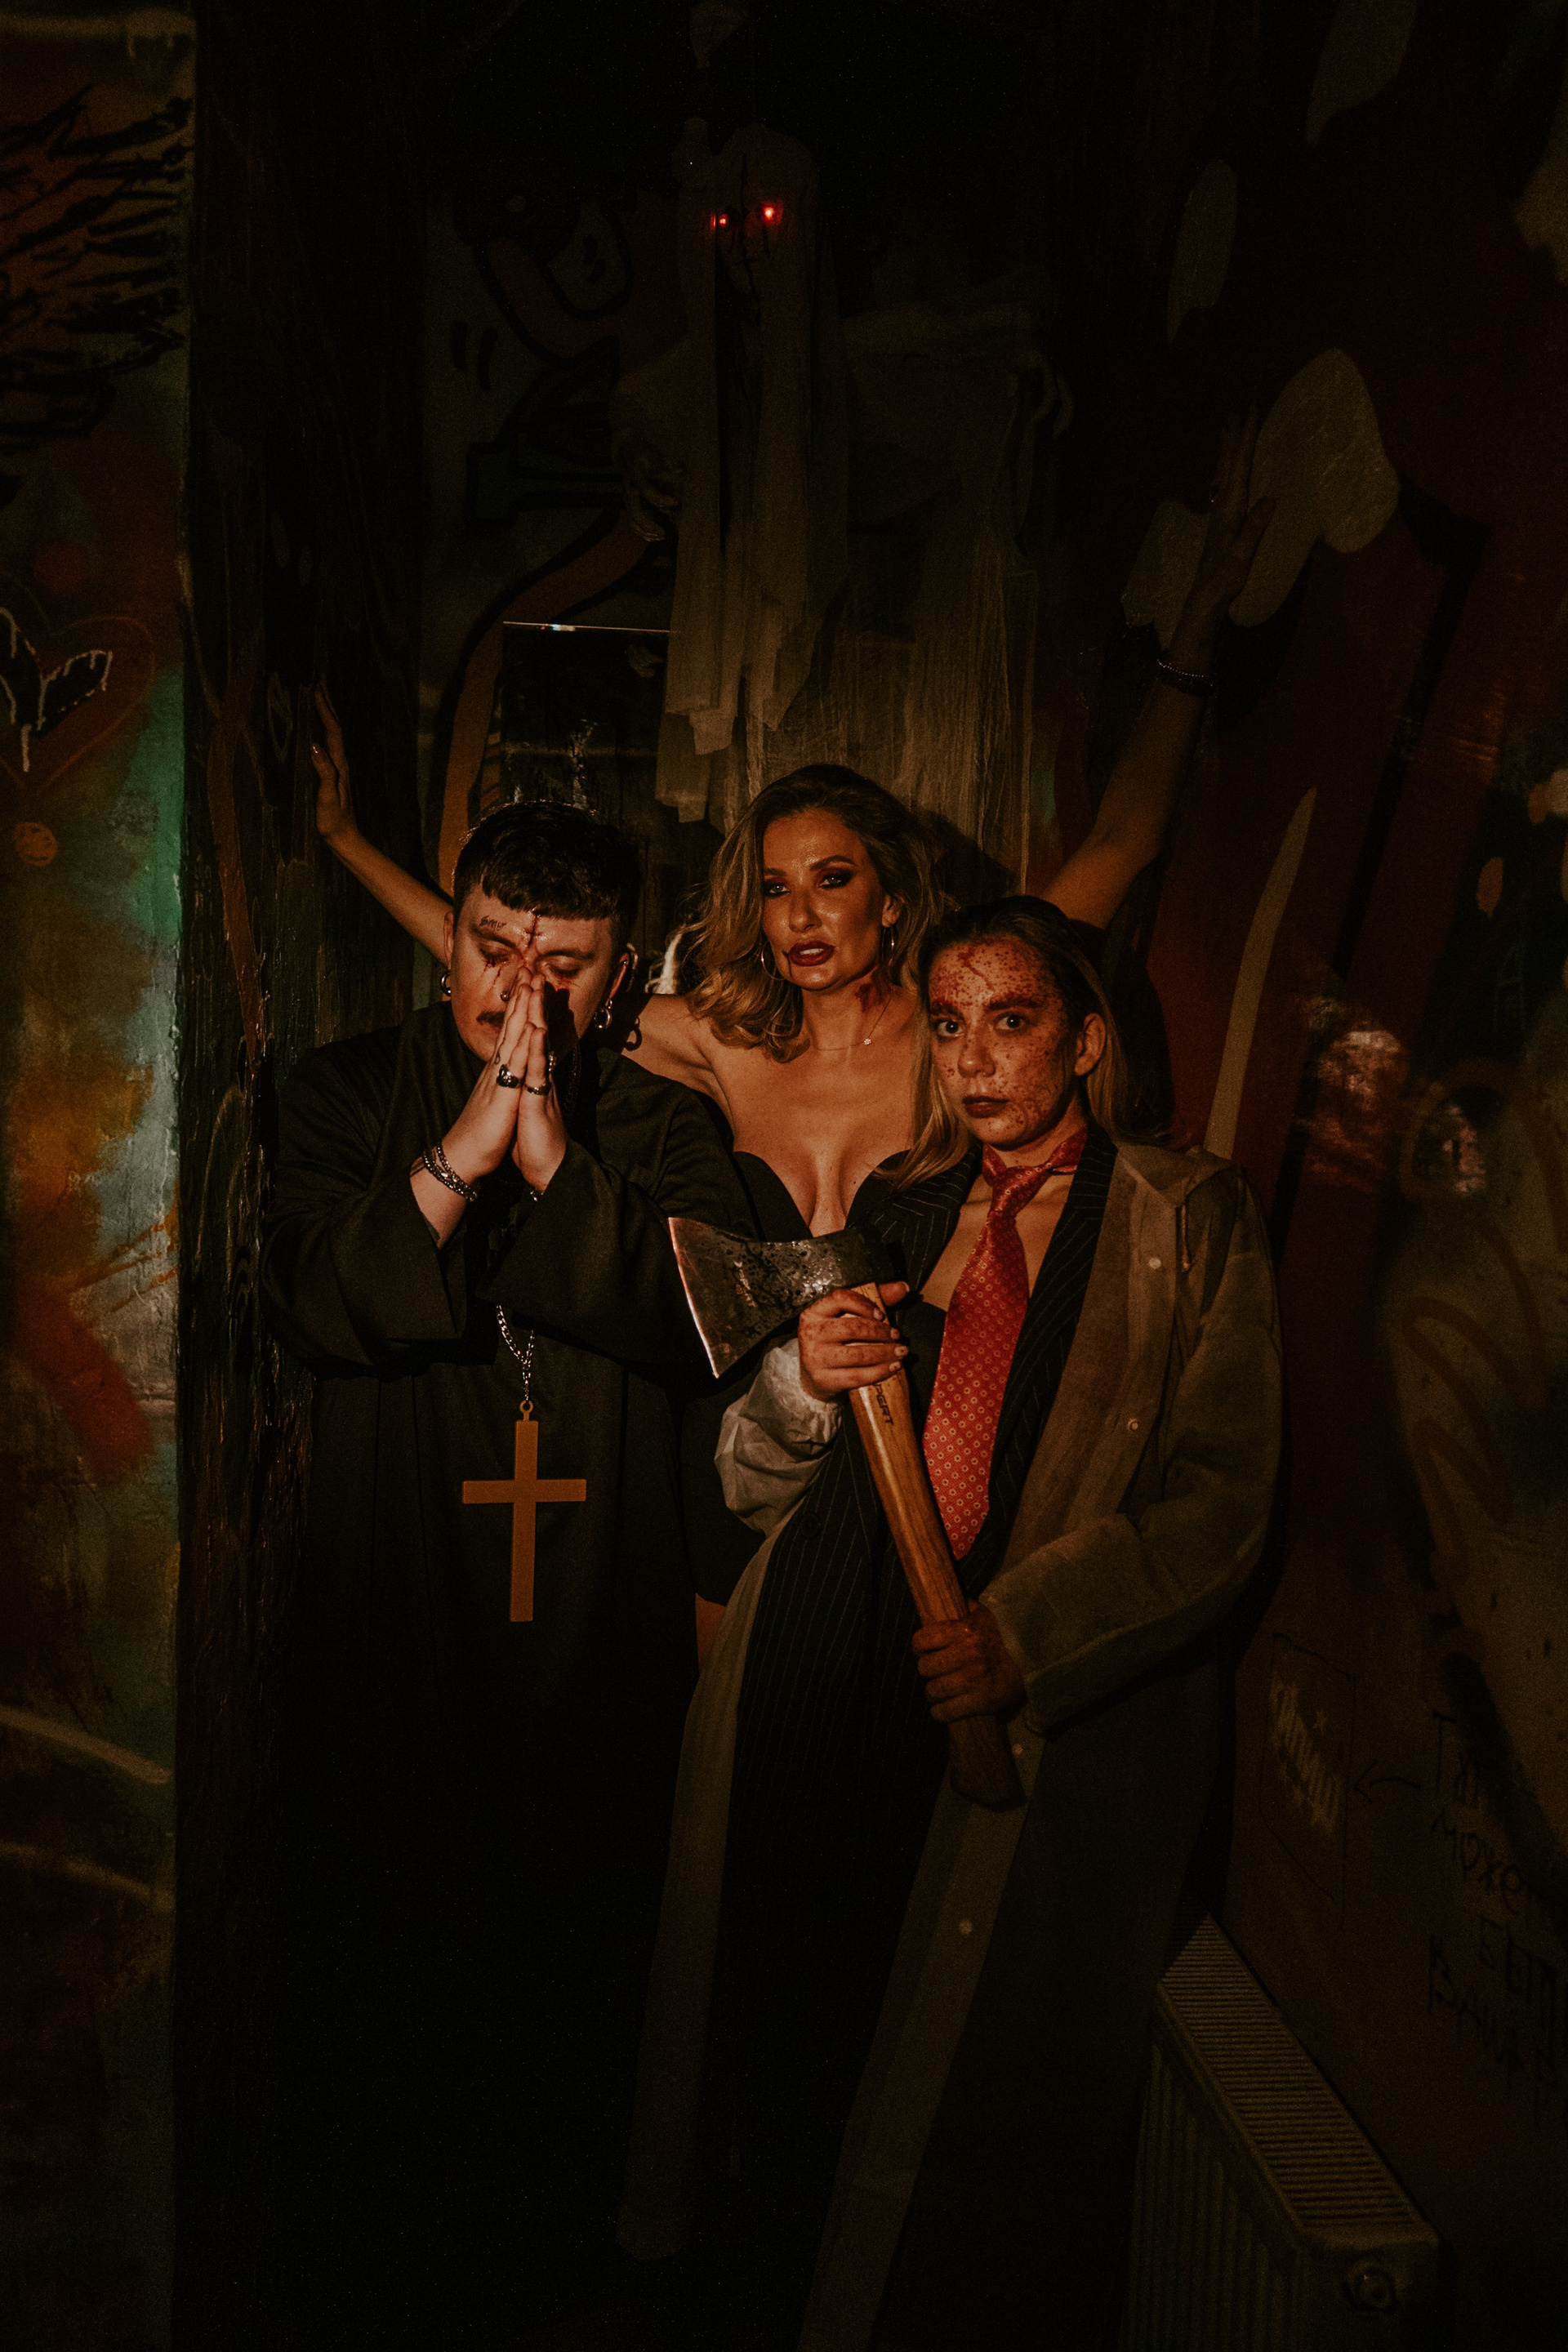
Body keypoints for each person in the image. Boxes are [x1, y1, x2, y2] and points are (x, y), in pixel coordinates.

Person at [620, 897, 1282, 2350]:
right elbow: (751, 1482)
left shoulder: (1182, 1222)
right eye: (950, 1024)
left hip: (1000, 1706)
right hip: (821, 1680)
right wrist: (801, 1382)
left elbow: (1221, 1503)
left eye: (1013, 1020)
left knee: (958, 2104)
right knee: (787, 2051)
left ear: (1086, 1040)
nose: (975, 1058)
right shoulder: (895, 1217)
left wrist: (1026, 1634)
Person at [308, 419, 1273, 1241]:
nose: (800, 914)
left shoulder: (955, 1032)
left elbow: (1121, 843)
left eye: (832, 879)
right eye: (775, 888)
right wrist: (349, 843)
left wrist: (1198, 628)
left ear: (891, 897)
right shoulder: (726, 1043)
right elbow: (524, 966)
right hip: (750, 1401)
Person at [259, 802, 754, 2344]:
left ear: (622, 977)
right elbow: (312, 1301)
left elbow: (708, 1323)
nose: (518, 992)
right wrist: (467, 1152)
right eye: (492, 950)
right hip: (396, 1599)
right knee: (391, 1937)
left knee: (586, 1950)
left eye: (563, 965)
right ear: (451, 941)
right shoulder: (346, 1090)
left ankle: (568, 2276)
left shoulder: (664, 1128)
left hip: (601, 1608)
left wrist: (552, 1158)